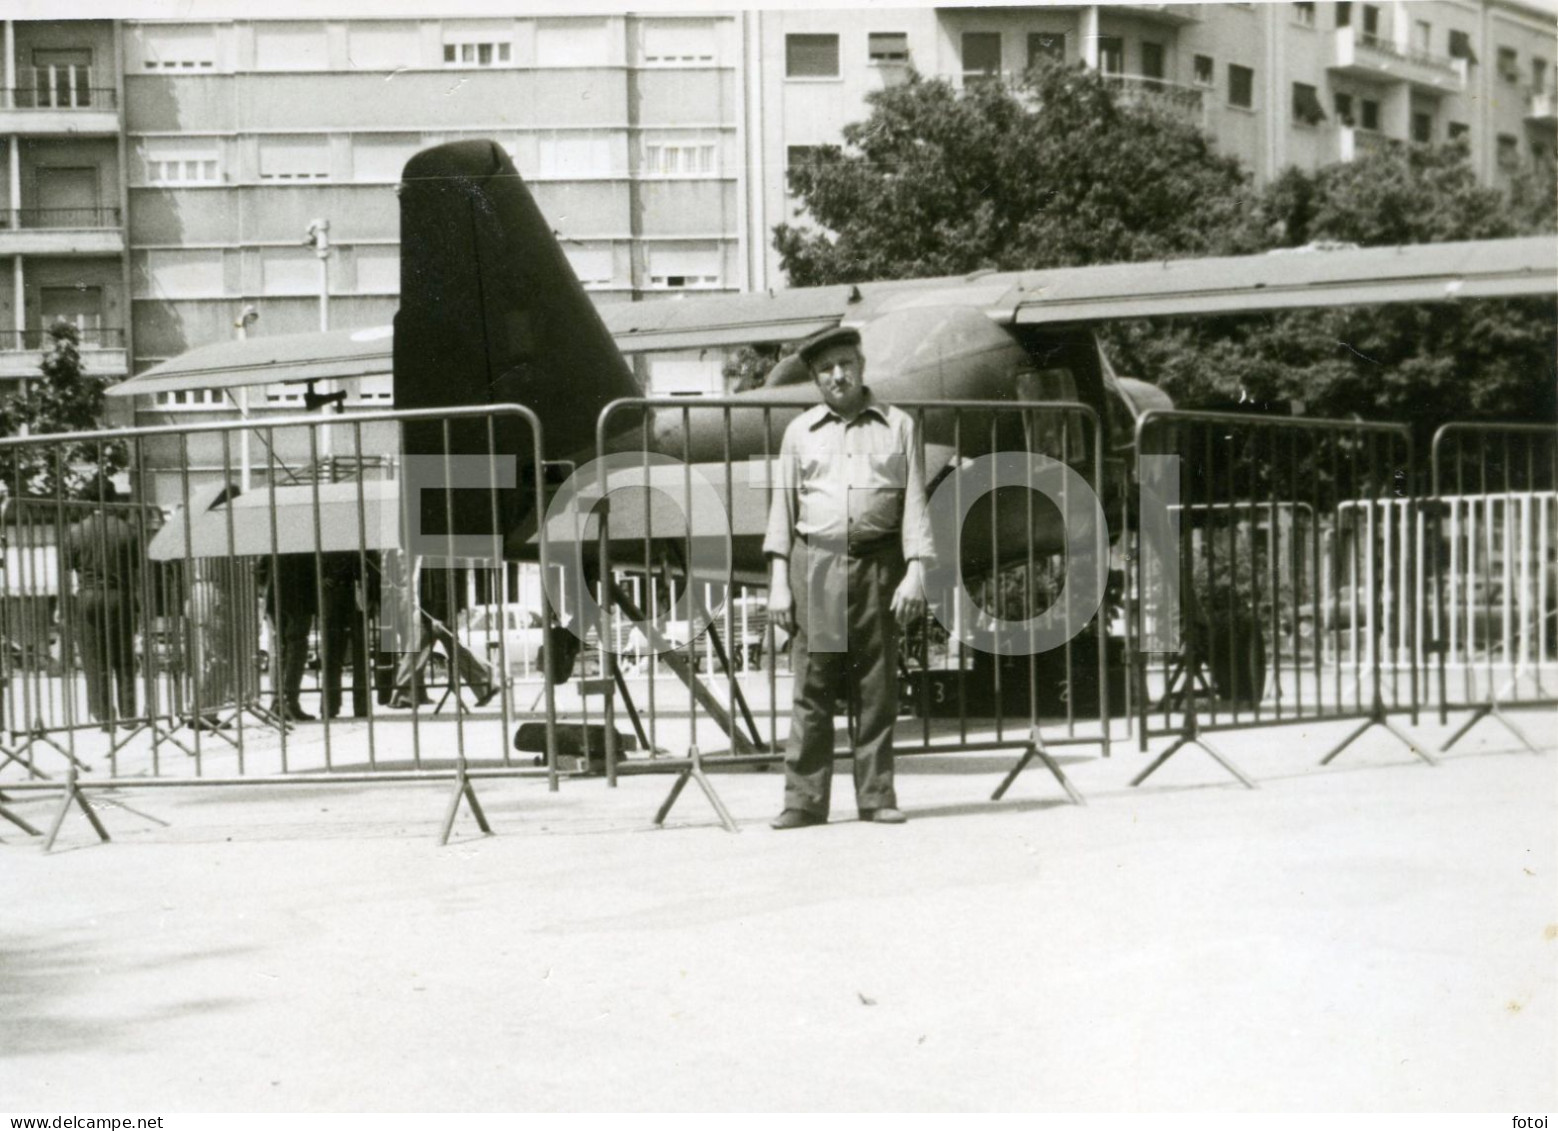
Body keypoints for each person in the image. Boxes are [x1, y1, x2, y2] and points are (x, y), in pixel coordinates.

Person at [763, 325, 933, 829]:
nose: (837, 376)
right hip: (817, 563)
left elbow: (915, 502)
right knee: (814, 685)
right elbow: (783, 509)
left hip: (879, 563)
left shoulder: (898, 425)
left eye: (845, 365)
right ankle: (803, 800)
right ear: (815, 379)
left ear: (861, 367)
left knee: (876, 686)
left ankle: (877, 796)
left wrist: (916, 571)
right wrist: (777, 580)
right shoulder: (800, 433)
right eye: (825, 370)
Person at [64, 480, 142, 730]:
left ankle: (104, 715)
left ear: (88, 500)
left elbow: (67, 572)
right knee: (124, 657)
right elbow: (137, 570)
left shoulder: (76, 532)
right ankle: (129, 715)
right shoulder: (127, 530)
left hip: (87, 596)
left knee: (94, 658)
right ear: (112, 498)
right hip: (120, 596)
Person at [255, 553, 318, 722]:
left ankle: (277, 702)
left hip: (275, 596)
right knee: (297, 649)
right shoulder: (305, 537)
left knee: (277, 651)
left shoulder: (272, 535)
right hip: (301, 596)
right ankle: (290, 702)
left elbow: (260, 569)